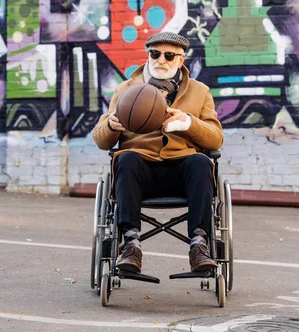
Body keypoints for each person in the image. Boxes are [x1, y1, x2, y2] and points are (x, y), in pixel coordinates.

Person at [92, 31, 224, 275]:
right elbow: (100, 139)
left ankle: (199, 245)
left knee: (200, 161)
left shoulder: (199, 91)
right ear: (148, 56)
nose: (161, 60)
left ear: (180, 60)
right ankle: (130, 245)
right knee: (126, 157)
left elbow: (216, 138)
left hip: (182, 174)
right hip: (140, 174)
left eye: (169, 55)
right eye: (155, 54)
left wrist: (189, 123)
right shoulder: (127, 90)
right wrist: (111, 125)